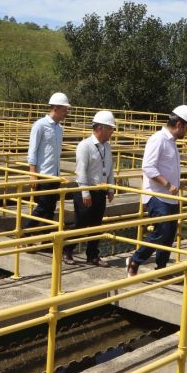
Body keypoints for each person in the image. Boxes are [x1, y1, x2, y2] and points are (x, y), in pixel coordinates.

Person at [126, 105, 187, 277]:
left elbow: (166, 167)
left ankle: (162, 268)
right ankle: (135, 260)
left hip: (171, 196)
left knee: (170, 234)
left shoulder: (172, 143)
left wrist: (179, 182)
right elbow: (148, 167)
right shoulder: (158, 139)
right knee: (161, 232)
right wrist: (167, 184)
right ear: (179, 124)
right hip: (157, 195)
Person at [71, 110, 116, 267]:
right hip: (86, 191)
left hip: (100, 191)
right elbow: (81, 170)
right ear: (100, 128)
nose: (112, 132)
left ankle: (93, 255)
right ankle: (67, 250)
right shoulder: (85, 146)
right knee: (81, 224)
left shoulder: (107, 147)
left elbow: (110, 168)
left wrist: (110, 188)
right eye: (110, 128)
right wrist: (85, 191)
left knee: (97, 225)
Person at [25, 92, 70, 231]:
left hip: (54, 175)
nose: (66, 113)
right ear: (55, 108)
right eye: (64, 110)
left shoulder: (59, 128)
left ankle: (46, 241)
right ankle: (24, 233)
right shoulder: (40, 125)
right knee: (43, 207)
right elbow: (32, 150)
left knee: (50, 209)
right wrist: (33, 173)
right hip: (43, 174)